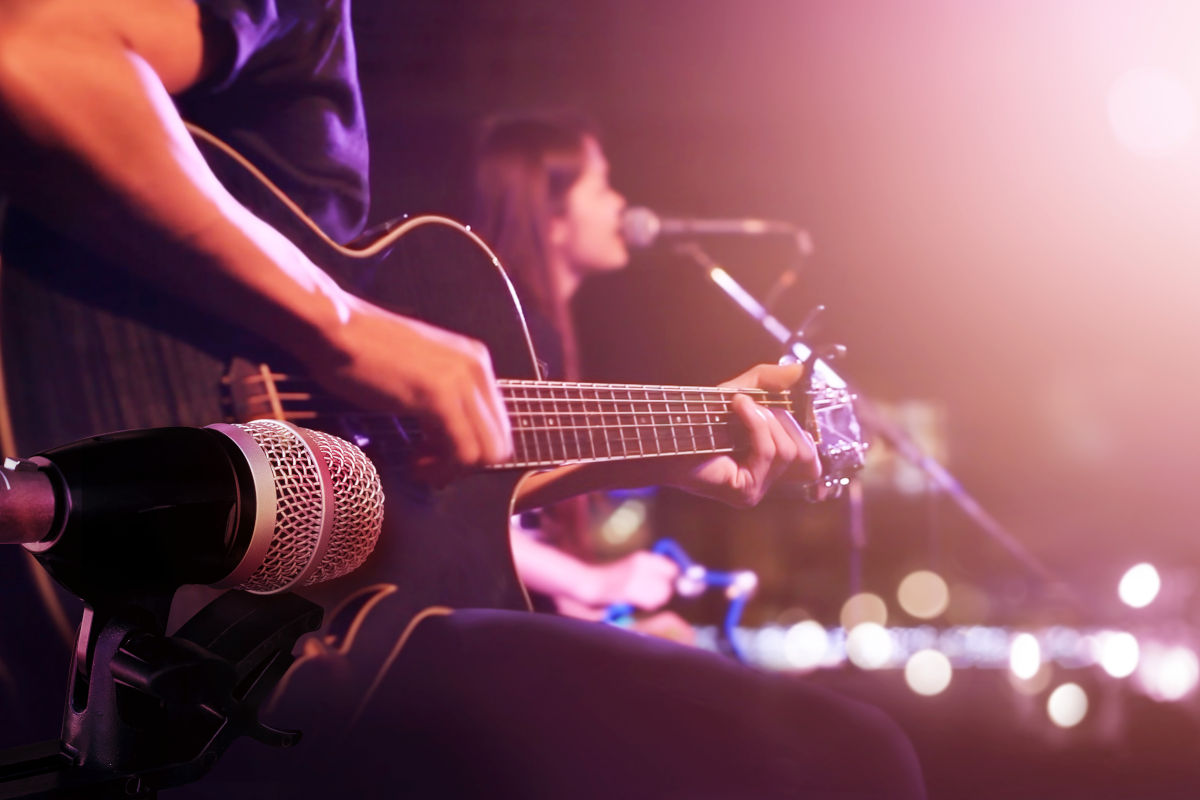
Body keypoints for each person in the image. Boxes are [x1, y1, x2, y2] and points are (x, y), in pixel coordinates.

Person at [0, 3, 924, 797]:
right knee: (851, 759)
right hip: (182, 602)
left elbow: (416, 477)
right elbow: (37, 52)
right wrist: (347, 327)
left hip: (208, 654)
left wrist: (671, 444)